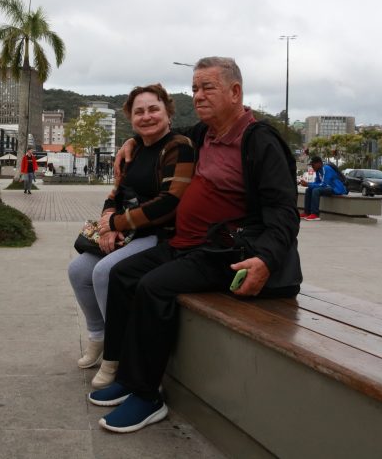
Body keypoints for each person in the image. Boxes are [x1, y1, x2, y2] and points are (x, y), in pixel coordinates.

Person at [89, 57, 302, 433]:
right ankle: (125, 374)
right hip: (187, 244)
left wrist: (266, 259)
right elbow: (161, 135)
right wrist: (132, 140)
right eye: (194, 89)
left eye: (207, 88)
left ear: (235, 92)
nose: (198, 95)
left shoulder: (259, 140)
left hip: (227, 251)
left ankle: (148, 396)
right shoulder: (204, 133)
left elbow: (284, 212)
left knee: (153, 287)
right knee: (122, 274)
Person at [67, 84, 195, 379]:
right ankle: (98, 336)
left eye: (153, 109)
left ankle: (119, 352)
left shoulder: (179, 147)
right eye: (139, 112)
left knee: (105, 271)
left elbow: (171, 202)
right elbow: (116, 193)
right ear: (131, 118)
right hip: (126, 231)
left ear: (168, 113)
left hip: (159, 233)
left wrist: (117, 224)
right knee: (79, 270)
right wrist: (107, 223)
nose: (146, 116)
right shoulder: (134, 149)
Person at [299, 156, 347, 221]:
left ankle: (315, 214)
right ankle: (307, 212)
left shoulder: (326, 168)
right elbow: (317, 182)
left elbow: (324, 184)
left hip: (335, 188)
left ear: (319, 163)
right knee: (308, 190)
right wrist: (308, 184)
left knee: (316, 190)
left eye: (313, 165)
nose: (312, 167)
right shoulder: (318, 171)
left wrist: (308, 184)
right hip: (328, 187)